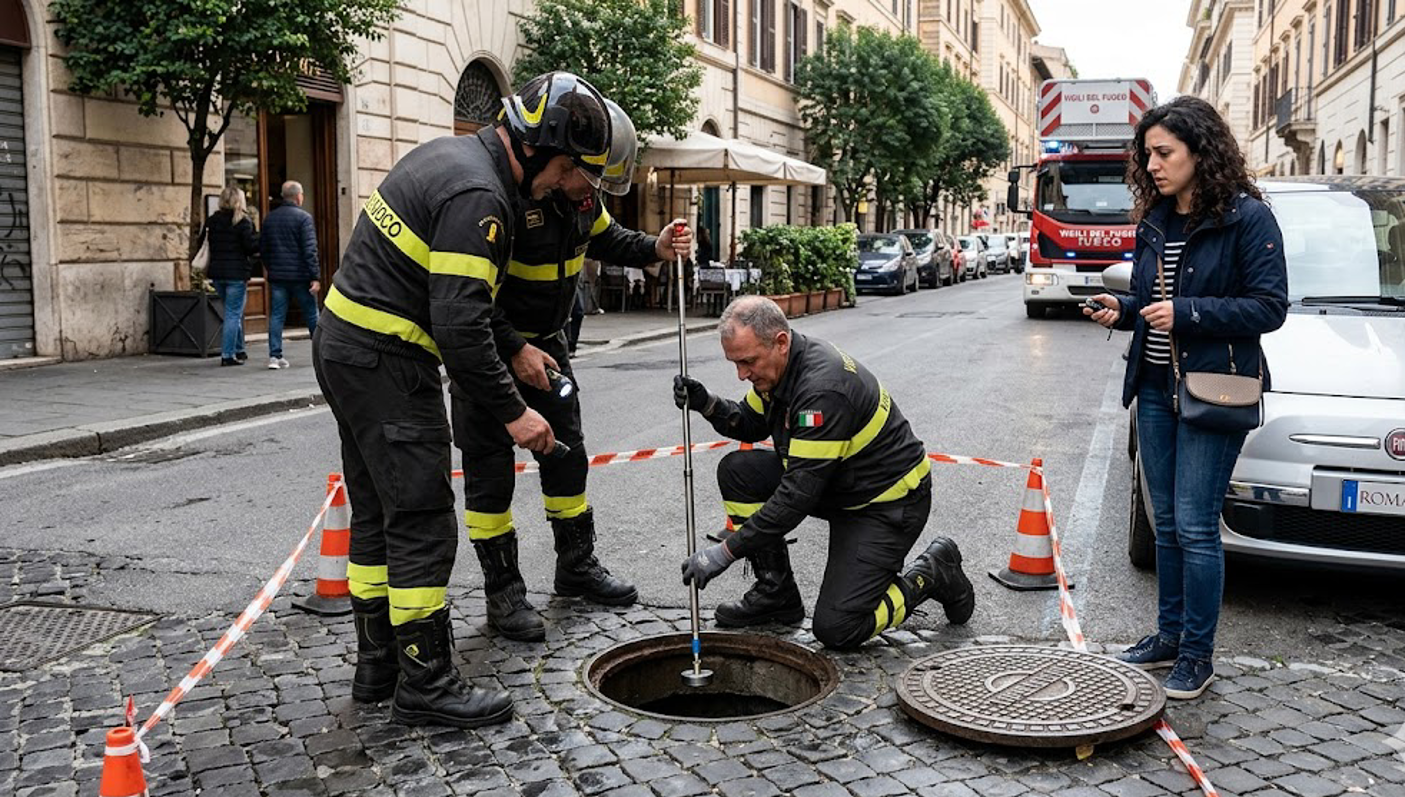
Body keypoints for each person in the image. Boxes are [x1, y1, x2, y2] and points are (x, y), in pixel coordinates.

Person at [313, 71, 613, 728]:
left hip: (346, 344)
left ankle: (378, 666)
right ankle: (426, 681)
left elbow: (457, 306)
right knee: (421, 518)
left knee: (375, 514)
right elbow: (460, 324)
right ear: (536, 149)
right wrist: (514, 414)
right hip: (387, 358)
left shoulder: (452, 160)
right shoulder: (481, 195)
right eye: (568, 168)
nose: (569, 184)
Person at [454, 98, 693, 642]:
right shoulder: (505, 201)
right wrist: (513, 347)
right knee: (488, 475)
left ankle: (575, 566)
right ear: (561, 167)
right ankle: (504, 592)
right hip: (491, 352)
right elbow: (466, 302)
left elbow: (612, 240)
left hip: (550, 349)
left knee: (569, 460)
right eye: (588, 181)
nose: (594, 194)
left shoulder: (583, 201)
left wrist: (655, 246)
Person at [1084, 95, 1287, 700]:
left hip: (1211, 387)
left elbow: (1269, 307)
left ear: (1202, 151)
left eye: (1164, 152)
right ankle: (1167, 635)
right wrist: (1122, 310)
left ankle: (1198, 654)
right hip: (1152, 387)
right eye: (1147, 154)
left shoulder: (1248, 219)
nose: (1152, 164)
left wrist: (1188, 313)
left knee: (1197, 525)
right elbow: (1151, 301)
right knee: (1165, 521)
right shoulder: (1157, 220)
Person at [674, 296, 975, 651]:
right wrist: (706, 402)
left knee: (838, 628)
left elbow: (795, 498)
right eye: (735, 364)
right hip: (839, 484)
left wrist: (723, 553)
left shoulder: (822, 390)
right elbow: (751, 422)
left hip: (886, 503)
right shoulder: (782, 371)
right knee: (739, 471)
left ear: (781, 342)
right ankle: (777, 593)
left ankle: (931, 573)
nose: (742, 374)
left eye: (748, 361)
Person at [260, 180, 320, 369]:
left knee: (277, 315)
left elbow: (264, 249)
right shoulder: (304, 218)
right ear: (298, 196)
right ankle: (320, 353)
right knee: (311, 314)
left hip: (278, 277)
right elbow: (309, 250)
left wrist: (271, 268)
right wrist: (315, 276)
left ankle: (274, 356)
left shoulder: (270, 218)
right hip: (301, 276)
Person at [204, 186, 258, 366]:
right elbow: (250, 247)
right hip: (236, 274)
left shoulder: (212, 220)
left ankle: (239, 349)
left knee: (232, 311)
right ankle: (227, 354)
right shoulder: (243, 221)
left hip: (217, 273)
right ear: (239, 201)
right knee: (233, 313)